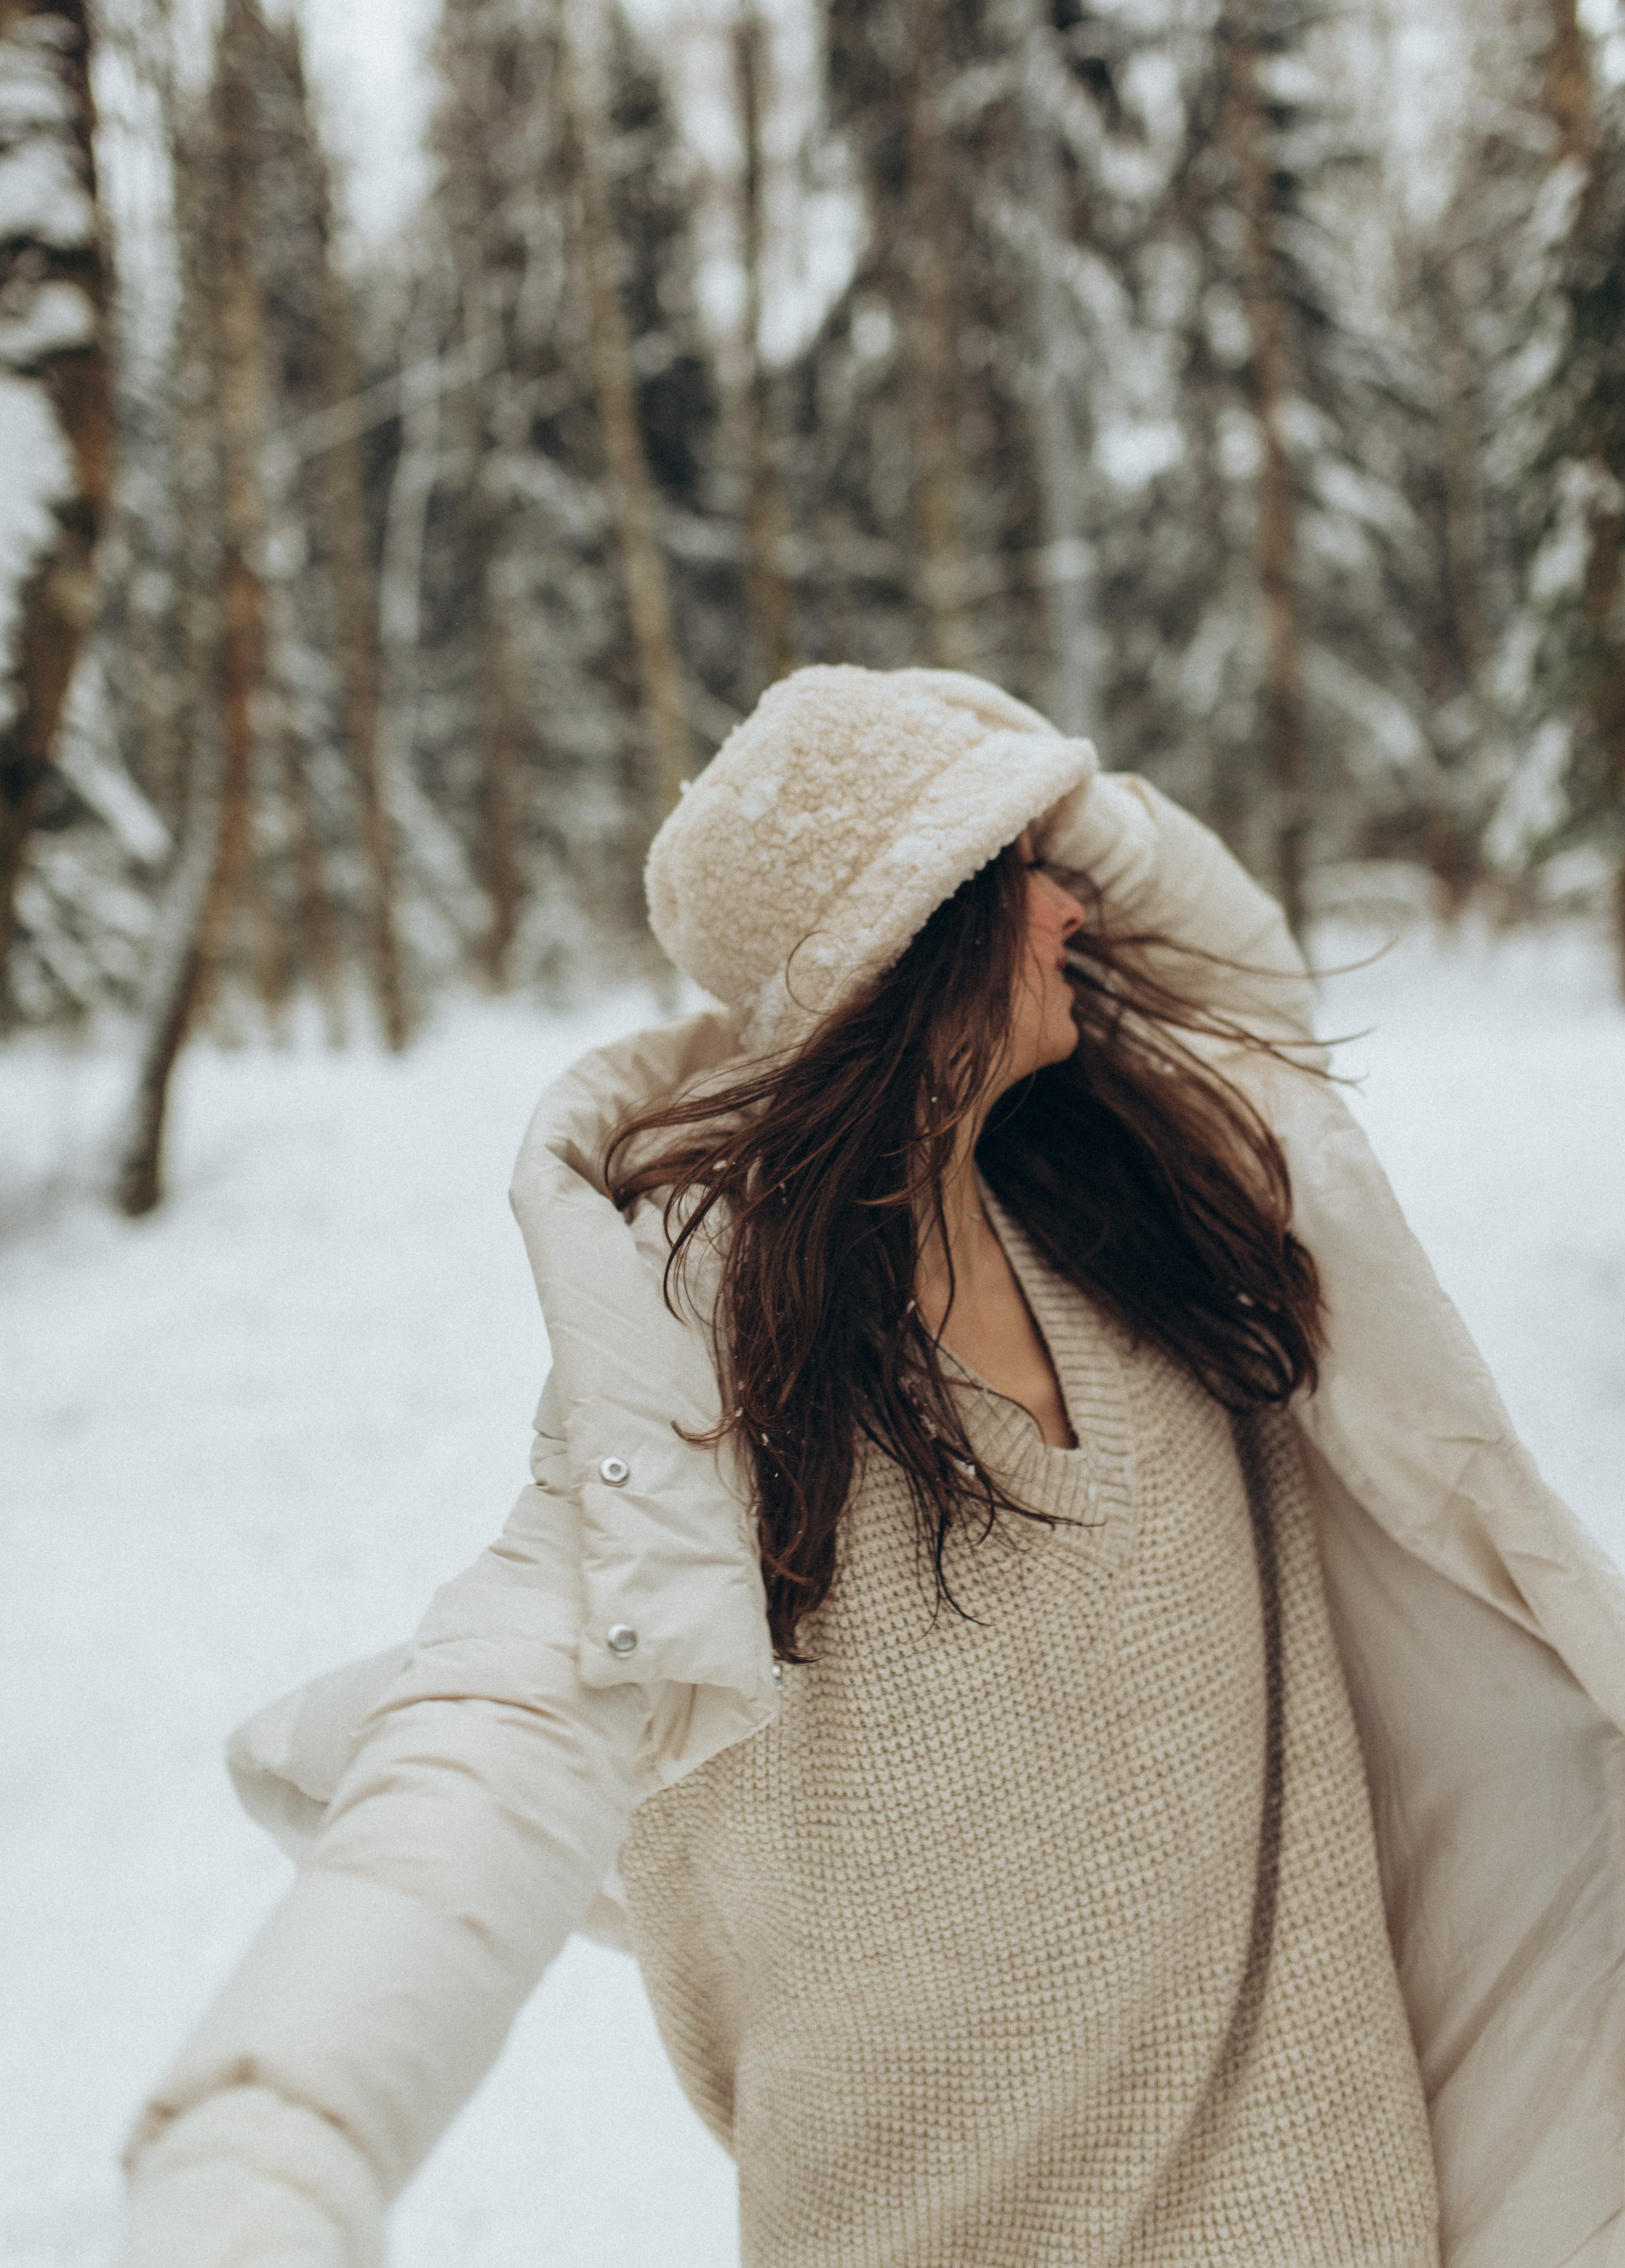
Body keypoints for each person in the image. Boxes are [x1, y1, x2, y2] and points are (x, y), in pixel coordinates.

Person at [119, 666, 1625, 2268]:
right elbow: (503, 1723)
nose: (1073, 906)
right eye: (1017, 874)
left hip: (1333, 2215)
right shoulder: (716, 1344)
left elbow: (1222, 956)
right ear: (915, 939)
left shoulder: (1138, 1203)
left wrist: (1021, 784)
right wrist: (278, 2134)